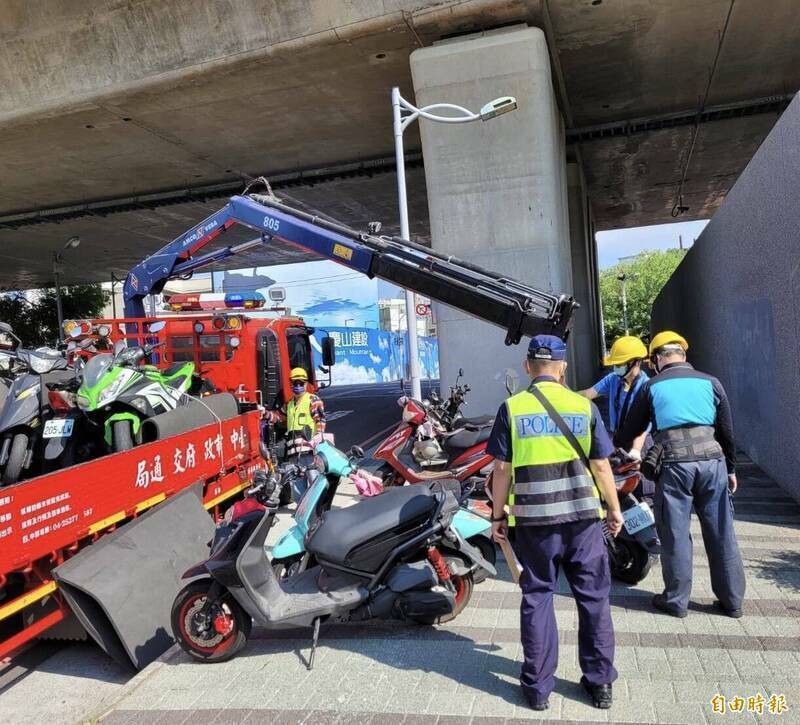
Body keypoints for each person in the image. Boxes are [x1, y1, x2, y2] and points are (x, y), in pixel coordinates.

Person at [487, 334, 623, 712]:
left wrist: (498, 517)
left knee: (537, 597)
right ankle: (600, 685)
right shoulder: (582, 406)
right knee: (594, 599)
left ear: (528, 366)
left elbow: (501, 470)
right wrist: (613, 509)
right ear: (562, 368)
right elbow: (600, 465)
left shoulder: (511, 409)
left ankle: (538, 689)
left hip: (534, 524)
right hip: (583, 521)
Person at [616, 331, 745, 619]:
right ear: (683, 355)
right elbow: (726, 431)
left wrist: (619, 450)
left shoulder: (652, 387)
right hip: (713, 464)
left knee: (674, 534)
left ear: (657, 360)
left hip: (674, 467)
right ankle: (732, 602)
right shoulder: (712, 382)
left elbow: (630, 430)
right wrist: (731, 469)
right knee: (722, 532)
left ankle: (676, 601)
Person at [579, 336, 649, 460]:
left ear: (636, 362)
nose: (616, 367)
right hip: (617, 438)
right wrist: (563, 393)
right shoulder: (613, 379)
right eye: (615, 363)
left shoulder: (647, 387)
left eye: (620, 363)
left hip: (640, 443)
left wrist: (636, 449)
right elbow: (587, 394)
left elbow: (646, 424)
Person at [263, 367, 326, 498]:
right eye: (294, 383)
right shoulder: (289, 404)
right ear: (291, 383)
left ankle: (319, 512)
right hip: (293, 453)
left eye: (301, 383)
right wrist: (265, 413)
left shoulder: (313, 401)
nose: (297, 386)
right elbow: (278, 417)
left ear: (306, 383)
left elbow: (320, 423)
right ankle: (301, 513)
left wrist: (318, 444)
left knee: (315, 483)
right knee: (297, 489)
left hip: (310, 452)